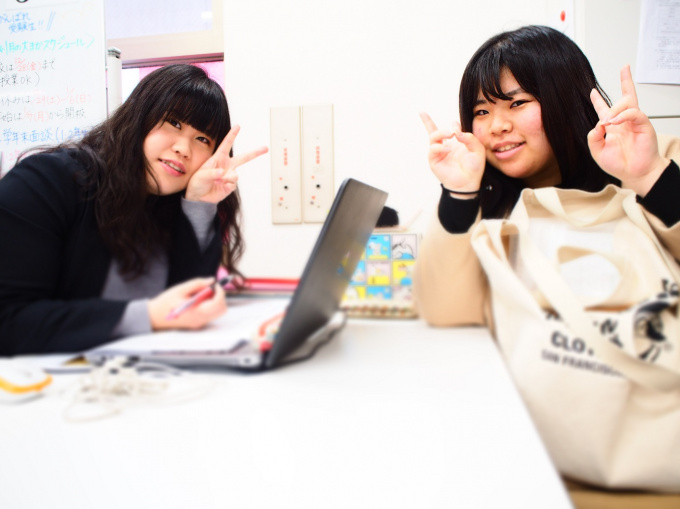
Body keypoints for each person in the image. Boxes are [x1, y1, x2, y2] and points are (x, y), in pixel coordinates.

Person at [413, 25, 680, 327]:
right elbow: (445, 312)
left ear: (565, 99)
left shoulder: (653, 158)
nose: (497, 126)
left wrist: (649, 176)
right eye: (482, 112)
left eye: (517, 103)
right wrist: (460, 195)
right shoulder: (488, 202)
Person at [0, 64, 268, 355]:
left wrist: (200, 203)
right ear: (139, 116)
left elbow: (187, 309)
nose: (184, 148)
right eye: (174, 123)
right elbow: (9, 322)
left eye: (203, 139)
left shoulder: (172, 205)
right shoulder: (46, 182)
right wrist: (149, 315)